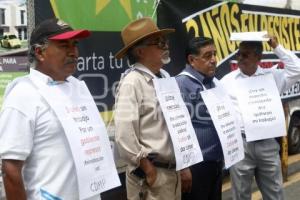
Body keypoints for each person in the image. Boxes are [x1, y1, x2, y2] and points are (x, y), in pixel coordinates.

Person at [0, 18, 102, 200]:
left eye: (75, 44)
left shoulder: (78, 88)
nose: (73, 52)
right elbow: (10, 170)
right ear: (40, 52)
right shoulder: (24, 94)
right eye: (64, 46)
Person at [221, 36, 300, 200]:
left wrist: (277, 47)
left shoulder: (272, 76)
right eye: (239, 54)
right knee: (240, 194)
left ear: (258, 57)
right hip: (241, 145)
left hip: (267, 144)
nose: (240, 59)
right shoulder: (226, 82)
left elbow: (297, 69)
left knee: (275, 193)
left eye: (246, 55)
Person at [114, 17, 181, 200]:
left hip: (171, 173)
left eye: (164, 41)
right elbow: (124, 135)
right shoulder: (132, 82)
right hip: (152, 177)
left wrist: (184, 164)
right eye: (158, 42)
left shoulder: (165, 77)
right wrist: (148, 169)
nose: (165, 45)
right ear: (141, 51)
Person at [175, 37, 224, 200]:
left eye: (215, 54)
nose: (214, 60)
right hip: (197, 167)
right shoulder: (181, 85)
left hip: (215, 163)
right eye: (207, 56)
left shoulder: (213, 83)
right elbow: (178, 129)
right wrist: (184, 168)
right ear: (191, 60)